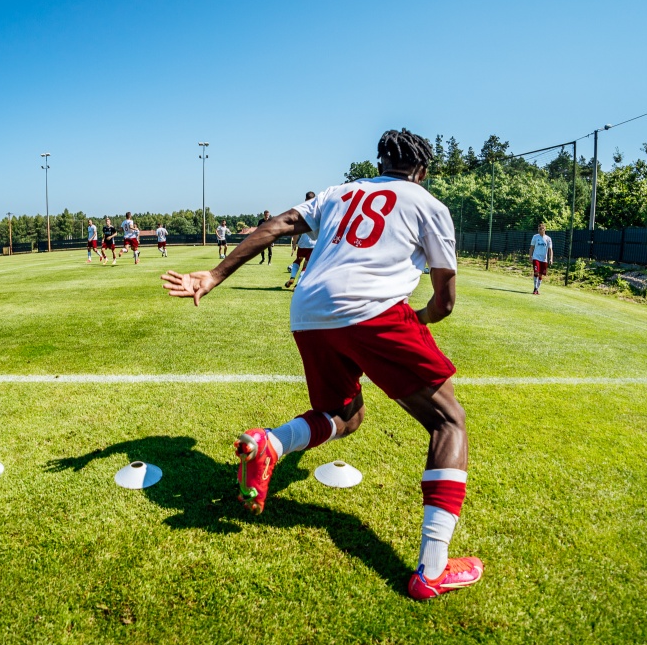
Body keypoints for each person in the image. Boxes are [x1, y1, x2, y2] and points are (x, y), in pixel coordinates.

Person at [161, 128, 482, 601]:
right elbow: (445, 301)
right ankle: (431, 572)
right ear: (422, 170)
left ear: (379, 161)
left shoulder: (340, 192)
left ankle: (269, 442)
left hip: (309, 311)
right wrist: (417, 319)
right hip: (374, 310)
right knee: (448, 423)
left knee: (346, 415)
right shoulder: (428, 204)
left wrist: (213, 275)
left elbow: (275, 225)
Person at [284, 192, 316, 288]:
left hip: (303, 243)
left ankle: (292, 277)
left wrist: (294, 244)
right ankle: (298, 284)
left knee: (298, 260)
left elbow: (296, 231)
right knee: (306, 265)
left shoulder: (301, 211)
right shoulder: (318, 211)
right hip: (314, 244)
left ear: (305, 199)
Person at [528, 222, 553, 295]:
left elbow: (550, 249)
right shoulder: (535, 237)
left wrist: (551, 258)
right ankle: (535, 288)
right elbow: (531, 248)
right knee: (536, 272)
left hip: (544, 259)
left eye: (540, 229)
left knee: (541, 274)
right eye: (538, 229)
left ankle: (537, 289)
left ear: (544, 229)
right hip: (536, 257)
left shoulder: (548, 239)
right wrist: (530, 256)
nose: (539, 230)